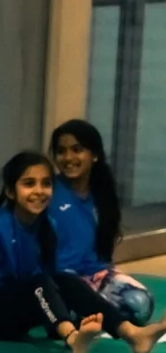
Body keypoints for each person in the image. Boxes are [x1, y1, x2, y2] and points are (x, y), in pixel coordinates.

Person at [0, 151, 166, 353]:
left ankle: (132, 334)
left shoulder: (48, 225)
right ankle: (72, 337)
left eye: (46, 184)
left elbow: (50, 280)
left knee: (66, 279)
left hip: (23, 308)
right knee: (38, 281)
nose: (39, 191)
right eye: (29, 183)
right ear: (10, 192)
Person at [49, 118, 154, 326]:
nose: (68, 157)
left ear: (94, 155)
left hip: (95, 275)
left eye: (77, 150)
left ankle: (87, 314)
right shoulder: (48, 191)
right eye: (61, 151)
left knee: (140, 305)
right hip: (61, 280)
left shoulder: (102, 193)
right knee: (72, 304)